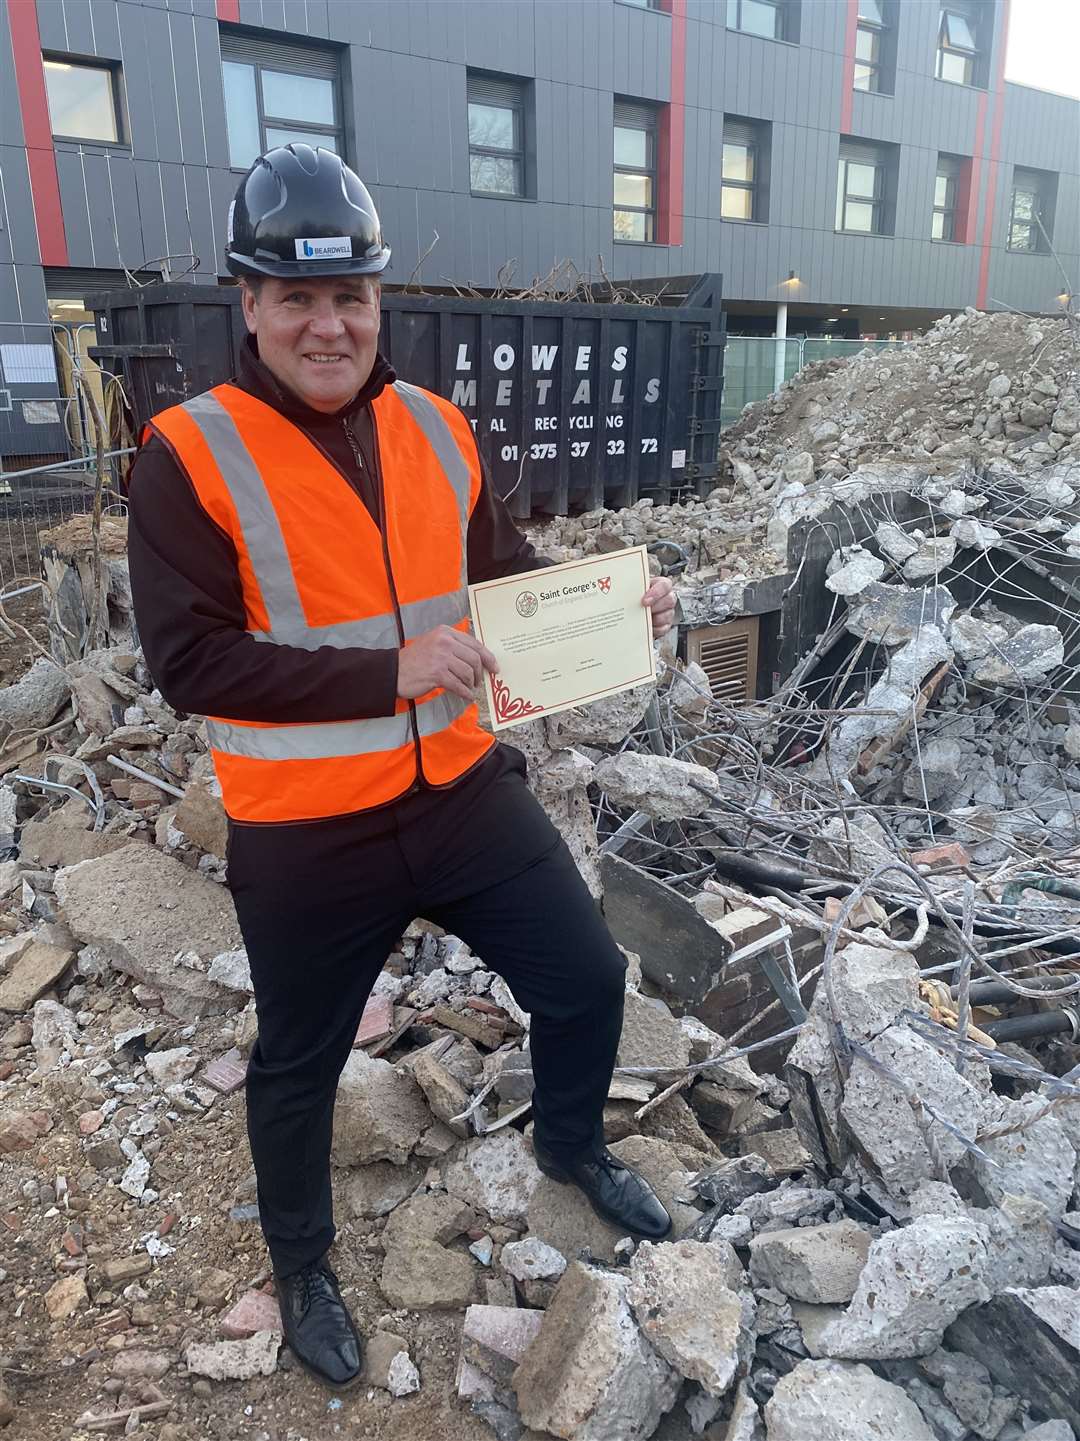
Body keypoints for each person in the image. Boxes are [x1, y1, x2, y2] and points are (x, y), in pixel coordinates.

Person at [126, 144, 678, 1391]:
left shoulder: (434, 425)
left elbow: (505, 571)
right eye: (297, 298)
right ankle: (302, 1260)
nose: (328, 324)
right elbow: (191, 663)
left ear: (379, 302)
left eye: (350, 298)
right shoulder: (186, 454)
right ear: (250, 305)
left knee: (587, 979)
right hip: (308, 829)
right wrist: (388, 673)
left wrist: (611, 598)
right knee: (300, 1063)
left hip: (464, 795)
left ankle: (573, 1147)